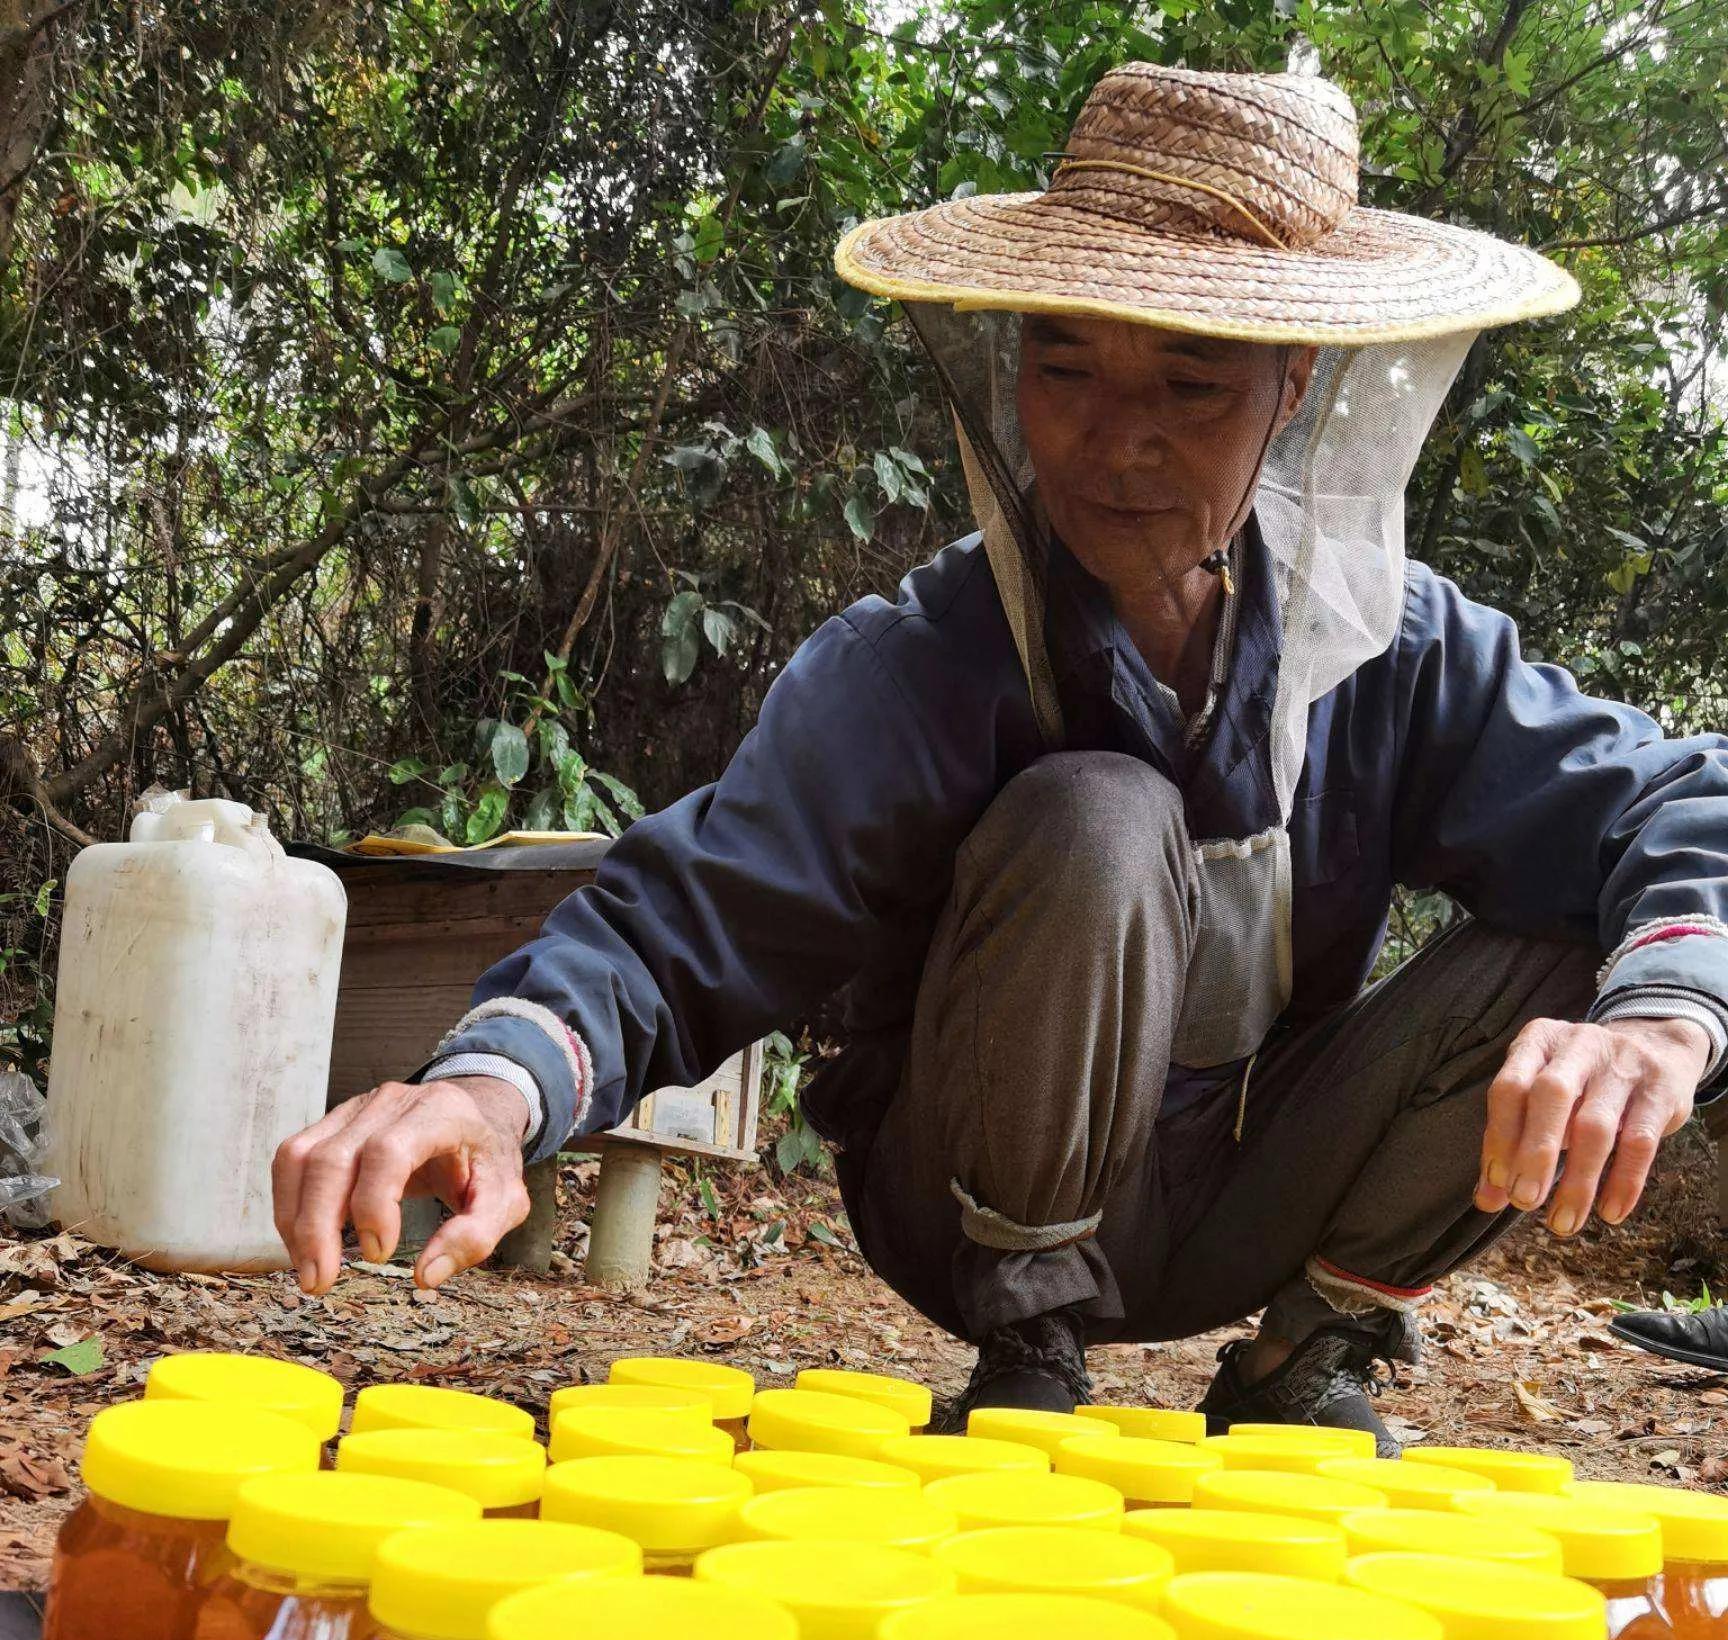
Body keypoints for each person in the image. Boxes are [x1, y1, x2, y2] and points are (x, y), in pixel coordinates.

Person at [274, 63, 1728, 1450]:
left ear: (1294, 388)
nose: (1114, 443)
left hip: (1253, 1197)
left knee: (1603, 941)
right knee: (1098, 813)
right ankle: (1032, 1344)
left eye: (1192, 385)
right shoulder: (922, 658)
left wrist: (1662, 1020)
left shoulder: (1396, 646)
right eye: (1064, 365)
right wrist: (491, 1088)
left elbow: (1672, 803)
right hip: (966, 1209)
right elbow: (694, 910)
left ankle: (1314, 1352)